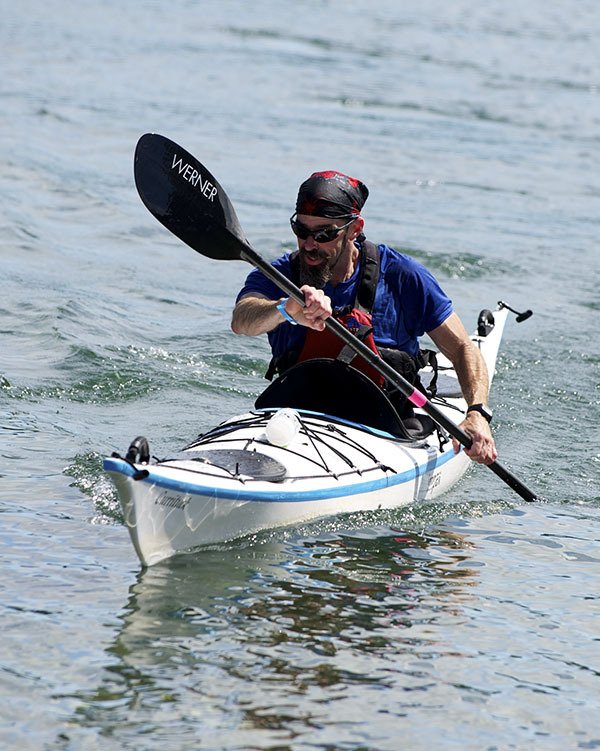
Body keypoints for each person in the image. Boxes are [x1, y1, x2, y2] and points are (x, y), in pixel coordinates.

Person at [231, 170, 497, 465]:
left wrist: (477, 413)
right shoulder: (278, 276)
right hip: (294, 417)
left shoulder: (403, 276)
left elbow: (461, 348)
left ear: (354, 229)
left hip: (388, 425)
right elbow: (242, 320)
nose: (309, 244)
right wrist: (285, 308)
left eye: (324, 234)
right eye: (301, 230)